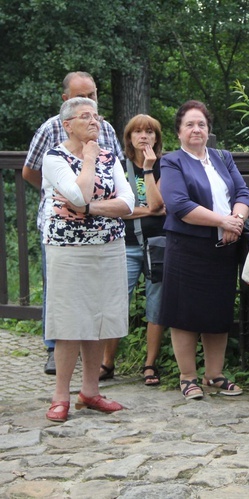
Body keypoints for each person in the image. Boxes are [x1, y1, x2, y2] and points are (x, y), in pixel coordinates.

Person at [22, 71, 124, 376]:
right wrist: (59, 192)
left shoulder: (104, 128)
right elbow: (30, 171)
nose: (89, 102)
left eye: (92, 95)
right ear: (65, 100)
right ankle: (54, 348)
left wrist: (94, 205)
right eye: (81, 97)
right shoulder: (50, 129)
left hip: (101, 224)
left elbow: (119, 172)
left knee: (96, 295)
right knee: (60, 290)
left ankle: (93, 358)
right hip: (61, 227)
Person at [42, 97, 134, 422]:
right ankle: (60, 396)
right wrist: (90, 160)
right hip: (68, 249)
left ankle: (91, 392)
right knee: (70, 322)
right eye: (85, 117)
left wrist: (89, 209)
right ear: (67, 124)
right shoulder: (55, 158)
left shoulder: (112, 157)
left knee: (100, 318)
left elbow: (128, 203)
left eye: (96, 116)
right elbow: (78, 192)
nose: (94, 122)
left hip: (109, 246)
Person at [159, 100, 249, 400]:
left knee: (218, 312)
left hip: (224, 248)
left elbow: (242, 193)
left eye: (201, 124)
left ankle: (215, 374)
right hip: (186, 248)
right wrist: (223, 220)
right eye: (189, 124)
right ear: (179, 132)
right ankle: (188, 377)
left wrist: (235, 222)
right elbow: (178, 205)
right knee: (184, 313)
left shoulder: (222, 157)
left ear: (208, 129)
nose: (196, 129)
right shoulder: (172, 161)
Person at [99, 114, 167, 385]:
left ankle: (150, 364)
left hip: (157, 243)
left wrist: (149, 169)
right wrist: (142, 210)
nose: (143, 137)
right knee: (116, 302)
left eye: (149, 132)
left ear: (156, 138)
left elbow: (160, 206)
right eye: (137, 132)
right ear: (128, 138)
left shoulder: (165, 166)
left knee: (156, 305)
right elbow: (114, 209)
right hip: (125, 245)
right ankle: (107, 362)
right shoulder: (118, 165)